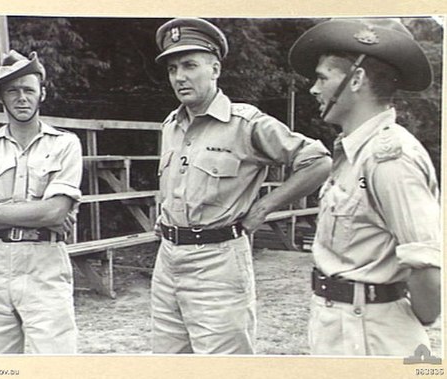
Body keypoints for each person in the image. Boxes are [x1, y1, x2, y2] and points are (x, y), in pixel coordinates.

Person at [151, 17, 332, 354]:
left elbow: (318, 161)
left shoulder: (245, 123)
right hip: (168, 259)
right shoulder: (170, 125)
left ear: (215, 68)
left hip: (218, 261)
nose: (179, 77)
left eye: (190, 65)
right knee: (168, 362)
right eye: (173, 68)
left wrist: (263, 208)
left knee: (224, 365)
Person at [289, 18, 441, 356]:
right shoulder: (354, 152)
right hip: (338, 324)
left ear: (356, 79)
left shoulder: (390, 158)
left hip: (370, 335)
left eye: (323, 77)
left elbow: (426, 267)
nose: (314, 89)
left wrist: (387, 314)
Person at [0, 50, 83, 354]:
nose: (21, 98)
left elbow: (55, 211)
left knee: (56, 363)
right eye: (12, 91)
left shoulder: (65, 143)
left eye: (28, 89)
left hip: (45, 262)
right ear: (1, 96)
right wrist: (37, 213)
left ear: (42, 93)